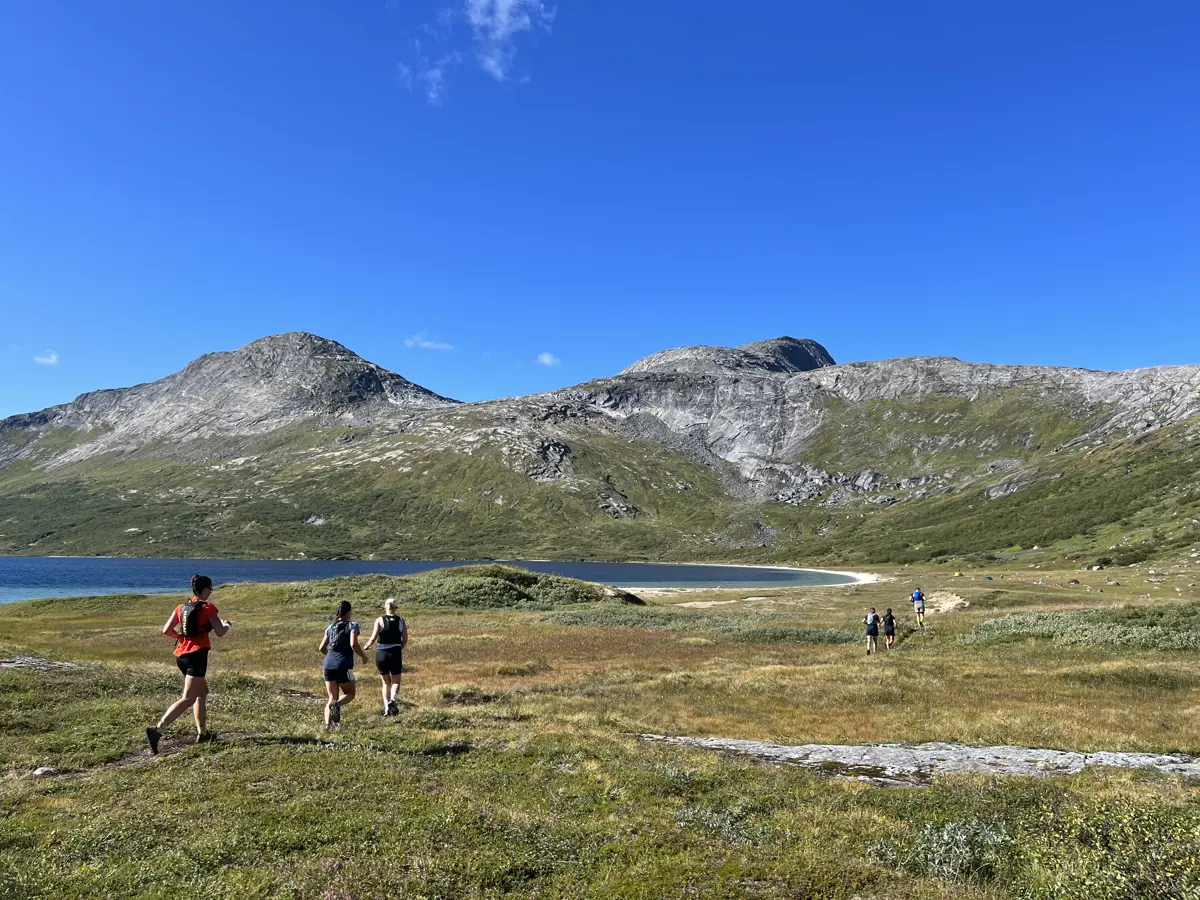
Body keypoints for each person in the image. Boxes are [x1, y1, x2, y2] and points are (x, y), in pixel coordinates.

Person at [145, 574, 231, 754]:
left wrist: (182, 638)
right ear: (206, 589)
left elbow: (166, 630)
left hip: (181, 656)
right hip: (197, 656)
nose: (210, 592)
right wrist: (227, 624)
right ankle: (157, 730)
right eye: (210, 589)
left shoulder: (180, 607)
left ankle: (203, 733)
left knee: (202, 692)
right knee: (189, 697)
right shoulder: (208, 608)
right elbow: (220, 632)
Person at [320, 600, 368, 727]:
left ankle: (327, 726)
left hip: (328, 665)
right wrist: (364, 656)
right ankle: (338, 705)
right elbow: (353, 644)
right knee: (350, 693)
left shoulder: (330, 627)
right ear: (349, 612)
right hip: (345, 666)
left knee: (331, 697)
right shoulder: (353, 625)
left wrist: (331, 657)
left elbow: (321, 647)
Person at [361, 598, 408, 716]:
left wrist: (366, 645)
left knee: (385, 683)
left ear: (385, 607)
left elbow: (373, 637)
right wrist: (398, 648)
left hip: (381, 653)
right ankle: (393, 700)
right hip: (395, 652)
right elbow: (405, 640)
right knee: (396, 682)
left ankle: (387, 708)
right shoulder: (401, 620)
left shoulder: (379, 620)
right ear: (395, 608)